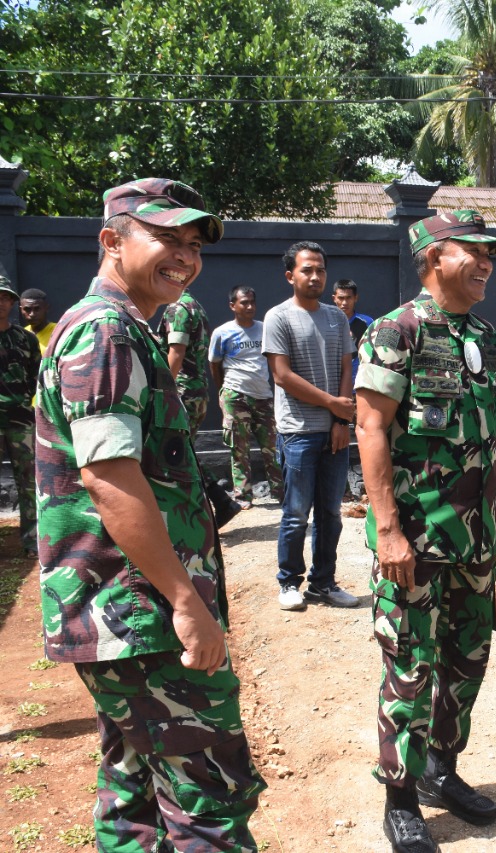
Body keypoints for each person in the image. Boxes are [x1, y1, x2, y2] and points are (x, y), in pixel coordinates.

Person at [34, 178, 264, 851]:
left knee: (132, 789)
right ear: (112, 240)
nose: (185, 256)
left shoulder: (123, 327)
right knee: (209, 797)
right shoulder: (105, 332)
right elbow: (109, 479)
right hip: (142, 614)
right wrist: (185, 600)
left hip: (127, 615)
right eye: (167, 238)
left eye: (193, 245)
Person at [355, 210, 496, 853]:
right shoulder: (394, 332)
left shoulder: (484, 333)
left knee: (466, 657)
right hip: (415, 539)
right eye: (475, 250)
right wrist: (388, 530)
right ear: (433, 255)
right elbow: (370, 427)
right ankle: (401, 797)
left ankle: (440, 768)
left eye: (492, 253)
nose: (487, 261)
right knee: (410, 663)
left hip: (475, 537)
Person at [262, 241, 359, 611]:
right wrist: (333, 404)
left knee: (331, 512)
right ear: (291, 275)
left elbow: (346, 368)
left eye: (320, 269)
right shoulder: (279, 317)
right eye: (307, 270)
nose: (315, 276)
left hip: (332, 430)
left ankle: (323, 583)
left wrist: (339, 418)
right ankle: (289, 582)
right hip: (298, 431)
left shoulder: (336, 317)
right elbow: (282, 375)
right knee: (296, 513)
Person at [209, 286, 284, 507]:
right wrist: (223, 392)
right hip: (236, 395)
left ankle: (280, 493)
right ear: (233, 305)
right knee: (239, 449)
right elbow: (214, 365)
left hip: (263, 396)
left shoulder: (265, 329)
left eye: (252, 302)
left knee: (272, 447)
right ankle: (243, 496)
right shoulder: (222, 333)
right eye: (244, 302)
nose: (249, 306)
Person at [0, 276, 39, 557]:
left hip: (21, 418)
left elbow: (39, 378)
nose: (0, 302)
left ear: (13, 302)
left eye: (4, 297)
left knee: (29, 481)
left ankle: (32, 541)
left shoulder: (26, 338)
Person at [158, 287, 212, 440]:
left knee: (174, 452)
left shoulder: (178, 308)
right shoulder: (196, 306)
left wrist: (162, 391)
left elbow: (177, 352)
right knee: (186, 448)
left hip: (181, 393)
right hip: (196, 391)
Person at [20, 288, 54, 354]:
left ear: (46, 308)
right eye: (27, 309)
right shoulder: (22, 334)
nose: (32, 314)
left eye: (37, 309)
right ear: (21, 310)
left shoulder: (58, 332)